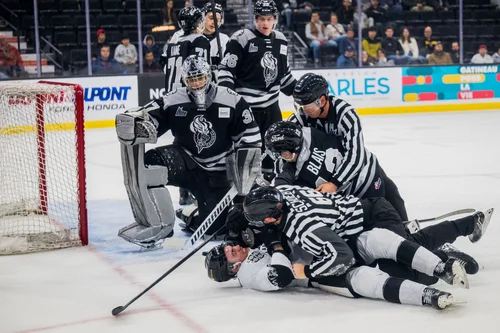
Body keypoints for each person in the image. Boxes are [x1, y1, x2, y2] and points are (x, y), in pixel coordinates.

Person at [115, 55, 261, 249]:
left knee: (215, 232)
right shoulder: (174, 98)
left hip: (217, 172)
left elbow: (251, 136)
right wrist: (136, 119)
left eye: (199, 77)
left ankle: (191, 214)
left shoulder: (231, 99)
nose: (196, 83)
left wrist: (244, 172)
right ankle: (159, 225)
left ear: (208, 76)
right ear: (184, 80)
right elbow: (148, 115)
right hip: (185, 160)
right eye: (191, 79)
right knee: (149, 164)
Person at [241, 186, 493, 287]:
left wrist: (306, 272)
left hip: (373, 218)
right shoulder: (282, 191)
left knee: (405, 259)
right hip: (364, 212)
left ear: (269, 218)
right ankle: (468, 226)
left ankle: (447, 249)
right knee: (405, 250)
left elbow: (342, 257)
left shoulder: (302, 227)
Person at [205, 235, 460, 310]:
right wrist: (277, 245)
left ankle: (439, 262)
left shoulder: (248, 253)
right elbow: (281, 277)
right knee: (369, 281)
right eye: (231, 252)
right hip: (319, 275)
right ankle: (428, 295)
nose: (236, 247)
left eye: (231, 246)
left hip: (327, 249)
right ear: (232, 268)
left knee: (379, 241)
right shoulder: (250, 276)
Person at [288, 73, 408, 220]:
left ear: (322, 100)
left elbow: (356, 155)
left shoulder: (346, 115)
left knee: (391, 198)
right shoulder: (301, 118)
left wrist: (334, 183)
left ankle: (406, 228)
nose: (303, 110)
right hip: (339, 184)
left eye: (307, 105)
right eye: (300, 105)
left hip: (365, 173)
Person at [218, 0, 296, 180]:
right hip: (247, 109)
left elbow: (283, 77)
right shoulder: (241, 38)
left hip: (272, 108)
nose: (265, 23)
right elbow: (226, 71)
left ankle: (270, 187)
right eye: (262, 19)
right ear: (255, 19)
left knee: (275, 151)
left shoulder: (281, 41)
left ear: (275, 20)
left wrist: (300, 93)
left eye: (269, 19)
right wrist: (229, 99)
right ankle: (244, 189)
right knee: (248, 153)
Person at [161, 6, 212, 205]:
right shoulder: (200, 40)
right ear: (198, 22)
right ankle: (195, 190)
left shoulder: (174, 42)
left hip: (172, 100)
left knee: (182, 143)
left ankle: (183, 193)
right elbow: (201, 70)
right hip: (190, 98)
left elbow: (163, 63)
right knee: (199, 145)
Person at [162, 6, 211, 92]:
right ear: (196, 23)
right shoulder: (199, 40)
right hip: (186, 96)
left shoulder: (172, 44)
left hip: (169, 95)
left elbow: (163, 65)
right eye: (200, 21)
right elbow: (198, 72)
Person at [202, 2, 231, 72]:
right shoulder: (195, 38)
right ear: (203, 17)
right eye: (211, 18)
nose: (214, 22)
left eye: (217, 20)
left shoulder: (225, 40)